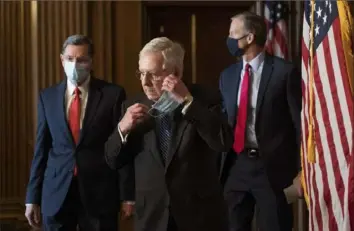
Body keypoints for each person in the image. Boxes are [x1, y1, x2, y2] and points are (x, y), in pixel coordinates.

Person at [105, 37, 233, 231]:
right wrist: (122, 128)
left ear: (176, 73)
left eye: (153, 75)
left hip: (198, 216)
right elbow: (112, 160)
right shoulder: (132, 105)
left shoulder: (206, 99)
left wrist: (188, 103)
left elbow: (223, 142)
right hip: (152, 217)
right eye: (141, 73)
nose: (145, 82)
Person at [25, 34, 134, 231]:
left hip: (99, 192)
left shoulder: (113, 94)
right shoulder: (47, 97)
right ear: (61, 59)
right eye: (70, 59)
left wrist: (127, 195)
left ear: (91, 61)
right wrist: (32, 197)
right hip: (57, 191)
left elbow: (121, 146)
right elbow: (41, 149)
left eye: (82, 59)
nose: (75, 64)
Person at [219, 12, 302, 231]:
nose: (229, 40)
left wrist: (302, 170)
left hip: (272, 169)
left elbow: (299, 124)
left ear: (249, 37)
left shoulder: (284, 72)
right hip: (236, 166)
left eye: (233, 34)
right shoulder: (227, 75)